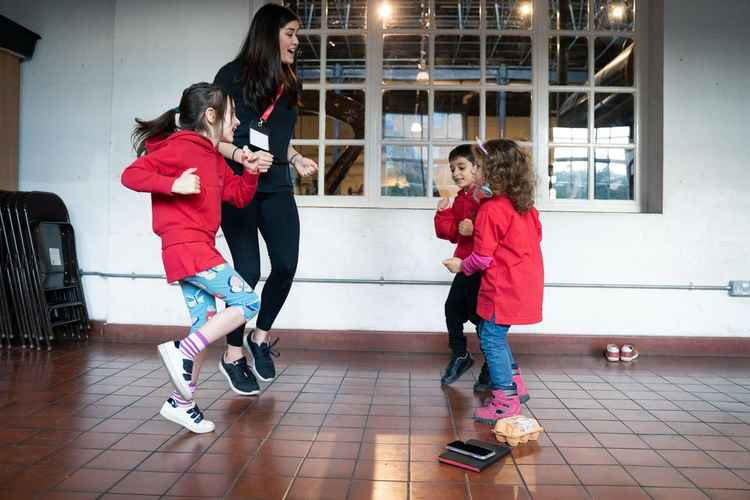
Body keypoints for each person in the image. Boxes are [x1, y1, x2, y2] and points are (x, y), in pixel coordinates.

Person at [121, 82, 263, 433]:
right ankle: (184, 350)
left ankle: (181, 403)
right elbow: (131, 175)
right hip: (187, 247)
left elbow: (238, 196)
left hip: (197, 248)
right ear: (210, 116)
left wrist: (251, 171)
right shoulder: (181, 147)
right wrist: (174, 185)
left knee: (204, 323)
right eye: (231, 115)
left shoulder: (213, 157)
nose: (236, 122)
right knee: (247, 301)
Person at [212, 4, 318, 394]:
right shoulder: (230, 76)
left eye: (297, 34)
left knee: (286, 265)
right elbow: (213, 135)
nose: (296, 41)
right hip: (238, 183)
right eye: (290, 33)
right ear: (268, 34)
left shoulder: (289, 81)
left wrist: (294, 157)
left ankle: (260, 337)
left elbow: (278, 136)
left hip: (275, 184)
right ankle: (233, 354)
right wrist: (241, 156)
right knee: (247, 273)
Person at [443, 139, 542, 424]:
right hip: (525, 282)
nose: (473, 173)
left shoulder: (491, 210)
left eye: (478, 167)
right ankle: (516, 384)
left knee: (490, 338)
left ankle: (506, 400)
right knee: (495, 333)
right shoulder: (524, 206)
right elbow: (535, 238)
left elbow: (482, 259)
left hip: (502, 286)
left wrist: (461, 266)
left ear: (491, 172)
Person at [434, 144, 490, 390]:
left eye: (462, 167)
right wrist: (443, 213)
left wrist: (475, 227)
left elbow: (496, 228)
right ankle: (460, 355)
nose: (456, 173)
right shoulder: (460, 198)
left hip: (485, 268)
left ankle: (491, 367)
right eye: (453, 168)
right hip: (464, 265)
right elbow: (450, 234)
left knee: (482, 320)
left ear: (477, 168)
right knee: (452, 309)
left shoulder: (487, 195)